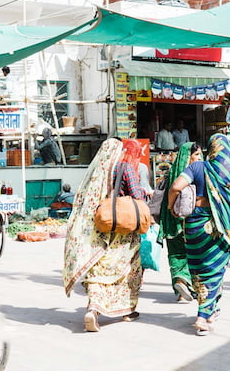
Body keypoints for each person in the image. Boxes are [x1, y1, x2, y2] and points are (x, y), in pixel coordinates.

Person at [167, 133, 230, 335]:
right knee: (214, 271)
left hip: (194, 226)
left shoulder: (197, 167)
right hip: (220, 228)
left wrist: (171, 207)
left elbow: (176, 187)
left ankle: (211, 309)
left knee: (197, 269)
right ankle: (202, 317)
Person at [63, 138, 147, 332]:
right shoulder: (124, 168)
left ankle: (93, 309)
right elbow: (137, 195)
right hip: (123, 232)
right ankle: (126, 309)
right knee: (128, 270)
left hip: (99, 230)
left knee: (97, 272)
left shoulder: (94, 173)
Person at [159, 142, 202, 302]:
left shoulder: (172, 172)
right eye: (196, 155)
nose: (199, 158)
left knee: (176, 252)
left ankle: (179, 281)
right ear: (189, 156)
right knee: (191, 253)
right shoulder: (193, 173)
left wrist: (170, 207)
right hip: (191, 220)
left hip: (172, 220)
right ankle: (189, 285)